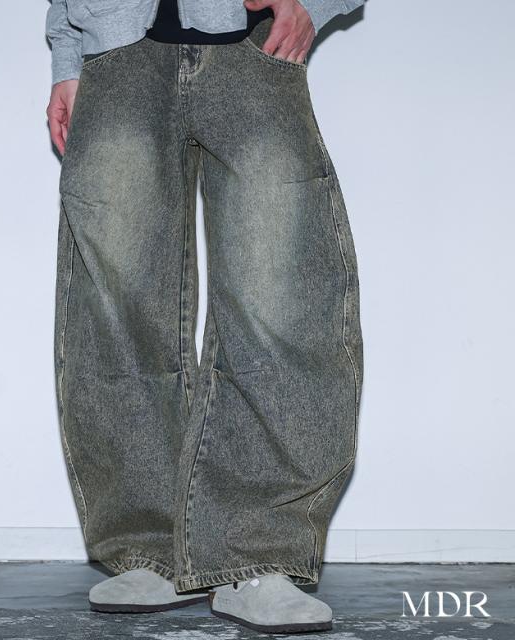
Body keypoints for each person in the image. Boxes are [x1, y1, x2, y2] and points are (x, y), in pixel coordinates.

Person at [45, 0, 364, 633]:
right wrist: (69, 59)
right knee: (117, 311)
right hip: (116, 55)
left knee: (280, 306)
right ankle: (151, 548)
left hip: (252, 51)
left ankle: (259, 554)